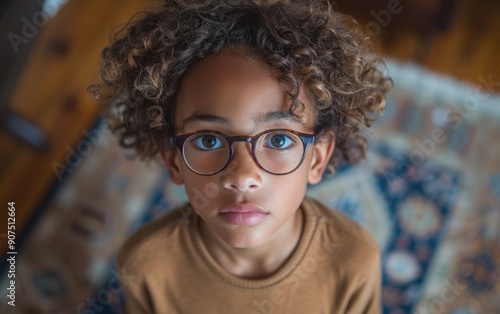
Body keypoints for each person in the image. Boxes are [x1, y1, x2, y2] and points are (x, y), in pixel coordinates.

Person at [89, 0, 392, 313]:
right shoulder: (145, 264)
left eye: (278, 139)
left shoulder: (354, 259)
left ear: (317, 159)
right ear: (172, 158)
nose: (242, 177)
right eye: (208, 140)